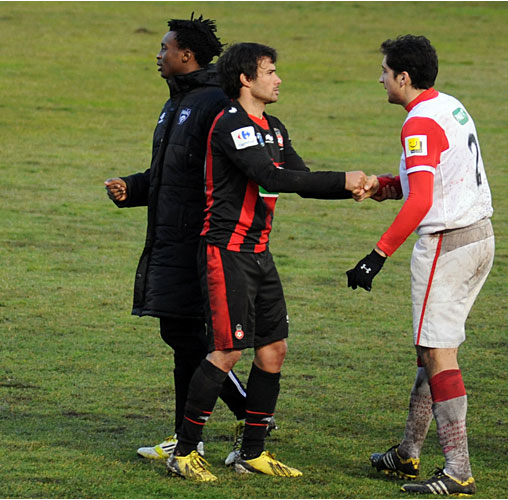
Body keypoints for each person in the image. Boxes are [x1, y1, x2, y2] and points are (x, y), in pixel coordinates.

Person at [165, 42, 372, 481]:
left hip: (259, 253)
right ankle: (183, 452)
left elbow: (300, 176)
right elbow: (270, 176)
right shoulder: (231, 124)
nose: (278, 79)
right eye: (270, 71)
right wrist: (345, 179)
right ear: (246, 78)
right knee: (226, 350)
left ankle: (251, 453)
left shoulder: (273, 127)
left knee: (273, 349)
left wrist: (354, 187)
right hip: (227, 252)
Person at [105, 15, 264, 465]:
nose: (158, 55)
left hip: (201, 240)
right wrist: (133, 188)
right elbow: (173, 174)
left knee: (191, 336)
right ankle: (188, 433)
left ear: (186, 55)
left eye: (164, 48)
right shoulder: (176, 103)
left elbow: (228, 171)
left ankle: (246, 416)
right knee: (179, 332)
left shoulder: (214, 102)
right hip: (171, 236)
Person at [346, 35, 494, 496]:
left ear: (403, 77)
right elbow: (432, 179)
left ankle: (458, 469)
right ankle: (409, 453)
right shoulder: (447, 105)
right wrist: (386, 185)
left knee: (437, 353)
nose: (381, 79)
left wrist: (377, 255)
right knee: (432, 350)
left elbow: (426, 200)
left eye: (385, 71)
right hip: (479, 236)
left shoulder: (417, 124)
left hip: (447, 244)